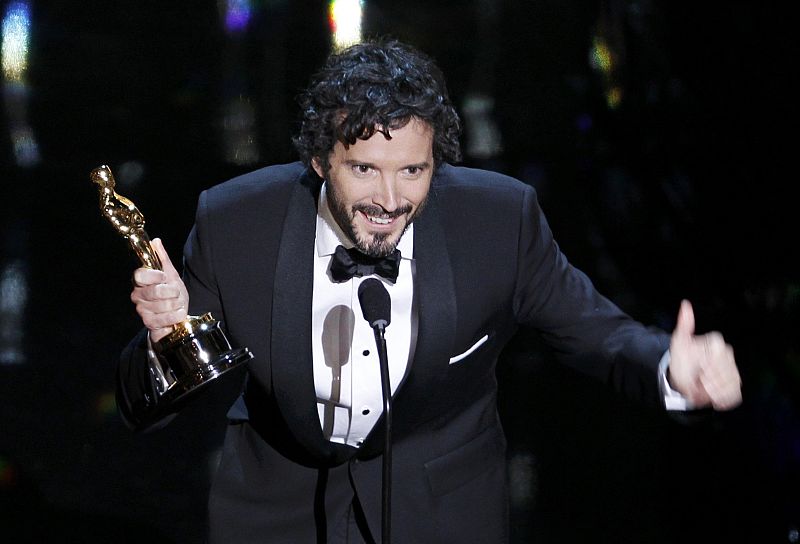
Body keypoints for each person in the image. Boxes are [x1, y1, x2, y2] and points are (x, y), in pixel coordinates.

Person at [118, 39, 742, 543]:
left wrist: (668, 365)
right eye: (364, 169)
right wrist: (163, 342)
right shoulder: (236, 222)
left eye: (412, 171)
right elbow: (150, 405)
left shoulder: (499, 220)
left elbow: (593, 331)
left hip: (445, 515)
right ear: (319, 161)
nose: (390, 202)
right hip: (278, 517)